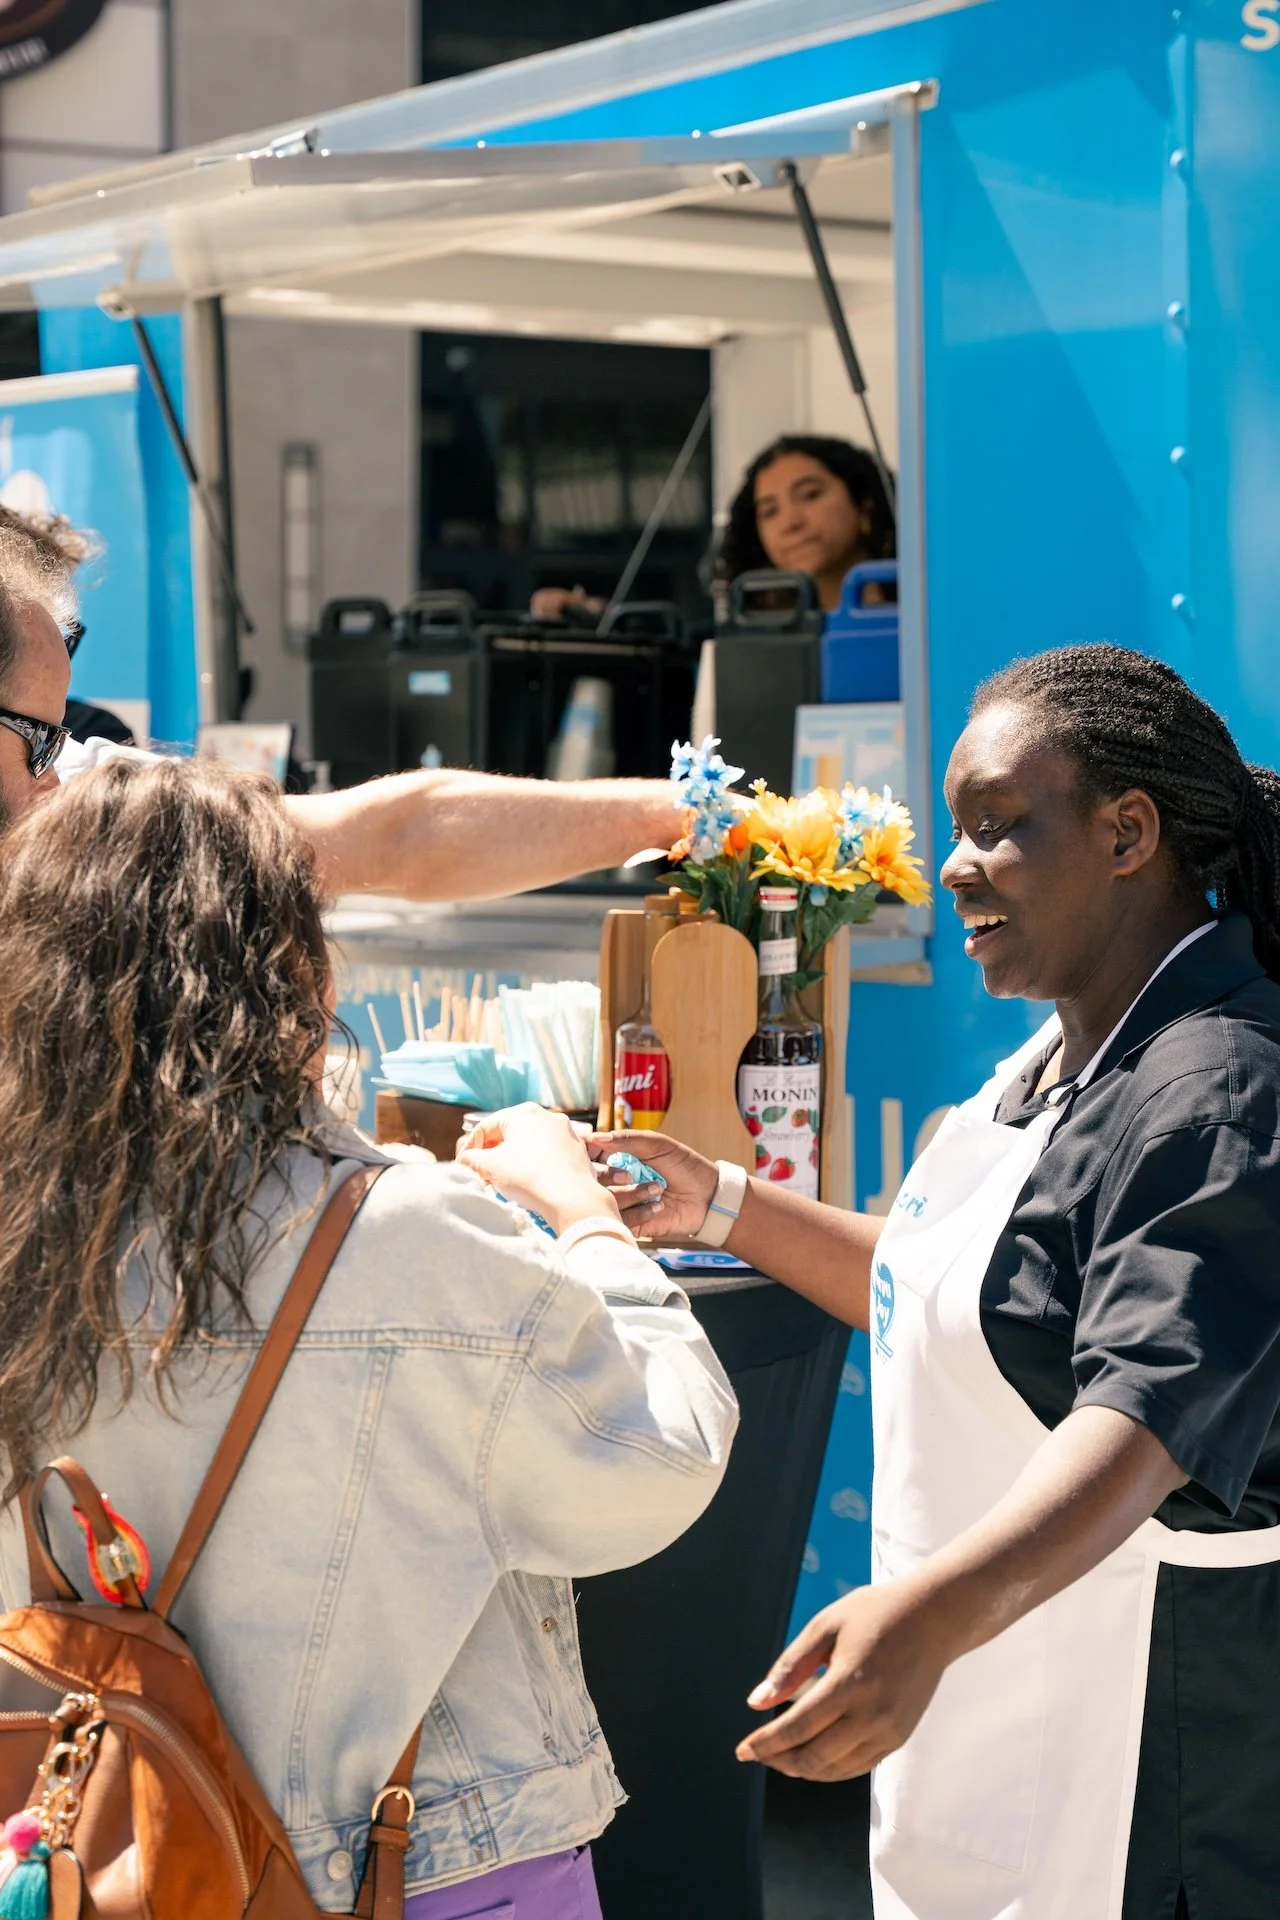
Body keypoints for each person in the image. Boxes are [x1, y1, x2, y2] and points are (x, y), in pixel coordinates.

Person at [594, 643, 1280, 1919]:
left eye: (996, 829)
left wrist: (922, 1619)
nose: (955, 866)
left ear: (1128, 832)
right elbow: (953, 1295)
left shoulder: (1214, 1084)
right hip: (999, 1702)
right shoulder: (1056, 1052)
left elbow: (1146, 1421)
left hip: (1140, 1752)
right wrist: (722, 1203)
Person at [0, 755, 737, 1914]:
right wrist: (590, 1225)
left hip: (115, 1858)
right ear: (287, 962)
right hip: (423, 1863)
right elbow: (655, 1464)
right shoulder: (401, 1230)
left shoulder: (23, 1229)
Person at [0, 504, 680, 887]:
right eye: (38, 742)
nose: (56, 777)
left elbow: (395, 838)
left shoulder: (90, 808)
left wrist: (671, 814)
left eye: (60, 739)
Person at [715, 434, 895, 613]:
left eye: (810, 495)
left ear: (864, 506)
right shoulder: (753, 635)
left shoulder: (919, 612)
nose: (790, 523)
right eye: (770, 512)